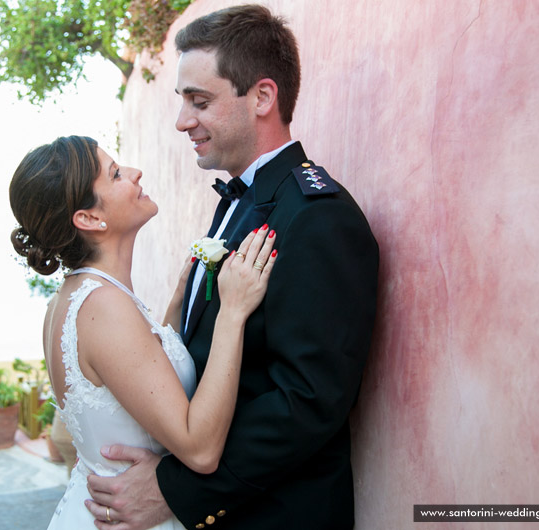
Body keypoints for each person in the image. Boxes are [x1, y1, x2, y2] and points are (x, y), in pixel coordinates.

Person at [84, 5, 379, 529]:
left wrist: (175, 490)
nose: (182, 121)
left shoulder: (317, 218)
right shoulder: (237, 202)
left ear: (262, 97)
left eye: (200, 102)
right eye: (182, 102)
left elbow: (308, 401)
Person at [8, 135, 278, 529]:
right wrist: (232, 314)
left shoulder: (74, 298)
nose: (135, 173)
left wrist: (178, 301)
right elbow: (199, 449)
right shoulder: (103, 308)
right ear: (88, 219)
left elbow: (137, 375)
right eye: (115, 174)